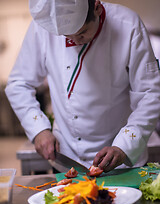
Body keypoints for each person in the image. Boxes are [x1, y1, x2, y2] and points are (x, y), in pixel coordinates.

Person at [5, 0, 160, 173]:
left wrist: (125, 145)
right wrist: (38, 129)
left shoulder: (128, 24)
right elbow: (18, 84)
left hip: (119, 154)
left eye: (82, 33)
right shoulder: (42, 27)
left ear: (97, 8)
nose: (75, 41)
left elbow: (149, 93)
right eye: (66, 36)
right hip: (66, 157)